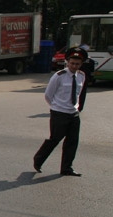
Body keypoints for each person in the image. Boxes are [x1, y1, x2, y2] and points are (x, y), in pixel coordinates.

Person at [33, 47, 87, 177]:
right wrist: (57, 107)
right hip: (59, 113)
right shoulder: (58, 76)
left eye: (77, 64)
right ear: (67, 62)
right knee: (55, 139)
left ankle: (67, 168)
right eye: (72, 63)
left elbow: (79, 93)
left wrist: (77, 107)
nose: (74, 66)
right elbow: (48, 95)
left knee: (72, 141)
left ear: (81, 64)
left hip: (73, 114)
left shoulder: (81, 76)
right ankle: (38, 160)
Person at [76, 44, 96, 112]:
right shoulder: (90, 60)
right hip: (85, 79)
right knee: (82, 93)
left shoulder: (78, 59)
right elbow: (92, 72)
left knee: (76, 92)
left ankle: (76, 106)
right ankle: (80, 107)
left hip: (78, 78)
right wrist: (91, 79)